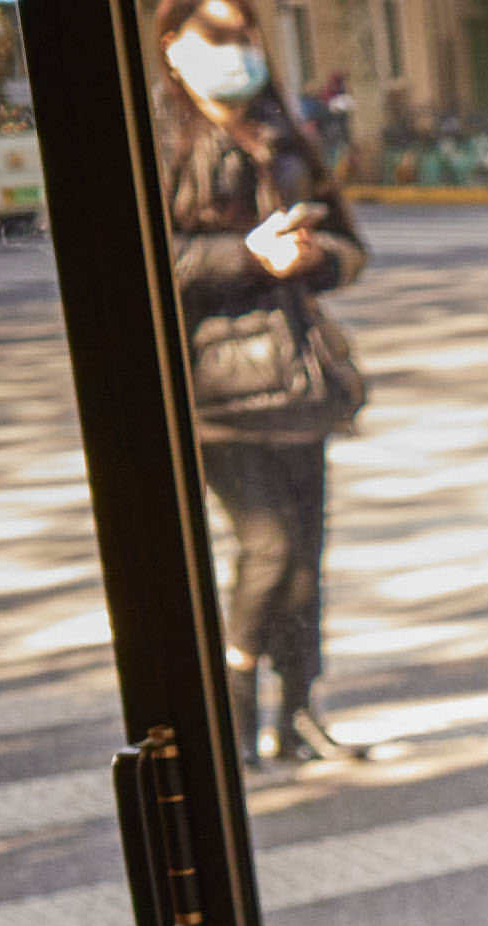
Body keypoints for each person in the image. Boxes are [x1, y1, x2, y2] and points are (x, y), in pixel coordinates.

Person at [156, 0, 374, 768]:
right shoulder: (158, 137)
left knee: (308, 557)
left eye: (246, 34)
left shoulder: (283, 134)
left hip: (297, 378)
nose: (238, 49)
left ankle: (300, 710)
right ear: (172, 44)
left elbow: (352, 246)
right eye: (217, 34)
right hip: (215, 387)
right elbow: (156, 263)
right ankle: (233, 709)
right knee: (270, 547)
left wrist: (313, 256)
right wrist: (247, 256)